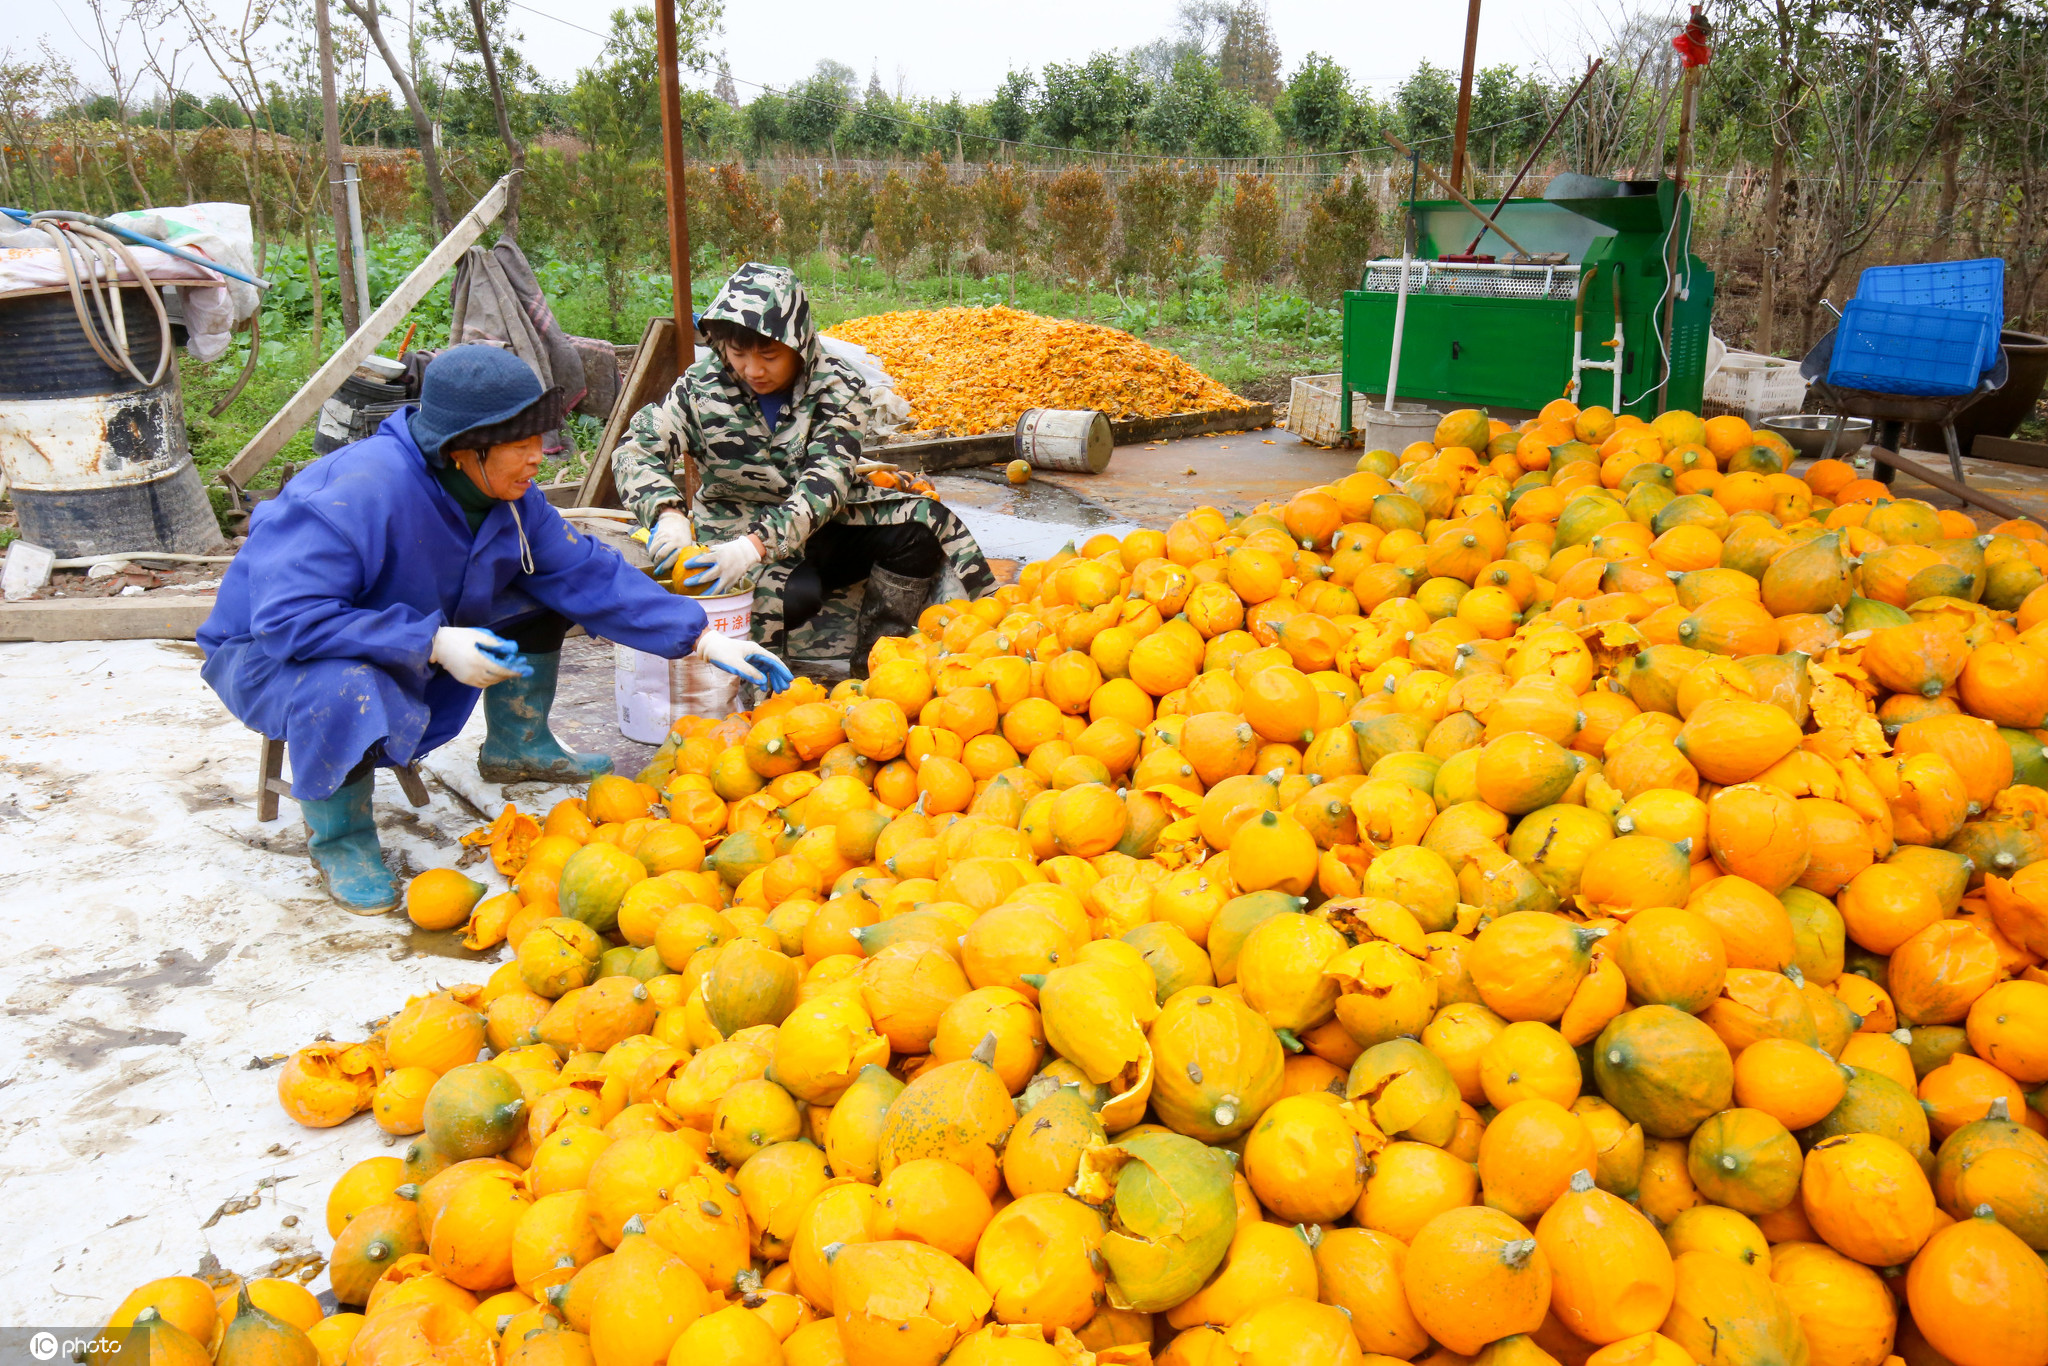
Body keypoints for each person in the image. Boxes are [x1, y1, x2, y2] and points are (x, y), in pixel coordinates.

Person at [197, 346, 792, 914]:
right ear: (464, 448)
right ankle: (341, 841)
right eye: (521, 444)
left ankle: (518, 744)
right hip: (272, 658)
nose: (540, 458)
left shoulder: (508, 497)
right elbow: (288, 620)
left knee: (545, 591)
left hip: (392, 623)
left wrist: (704, 638)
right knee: (343, 683)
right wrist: (430, 642)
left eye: (541, 440)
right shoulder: (353, 493)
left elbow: (584, 571)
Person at [613, 262, 993, 674]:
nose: (753, 370)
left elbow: (826, 484)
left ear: (799, 345)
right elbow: (637, 447)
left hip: (823, 523)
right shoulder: (699, 387)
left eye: (769, 355)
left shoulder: (838, 386)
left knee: (918, 532)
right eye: (738, 354)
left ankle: (878, 660)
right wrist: (667, 514)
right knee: (793, 597)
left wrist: (754, 548)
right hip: (731, 530)